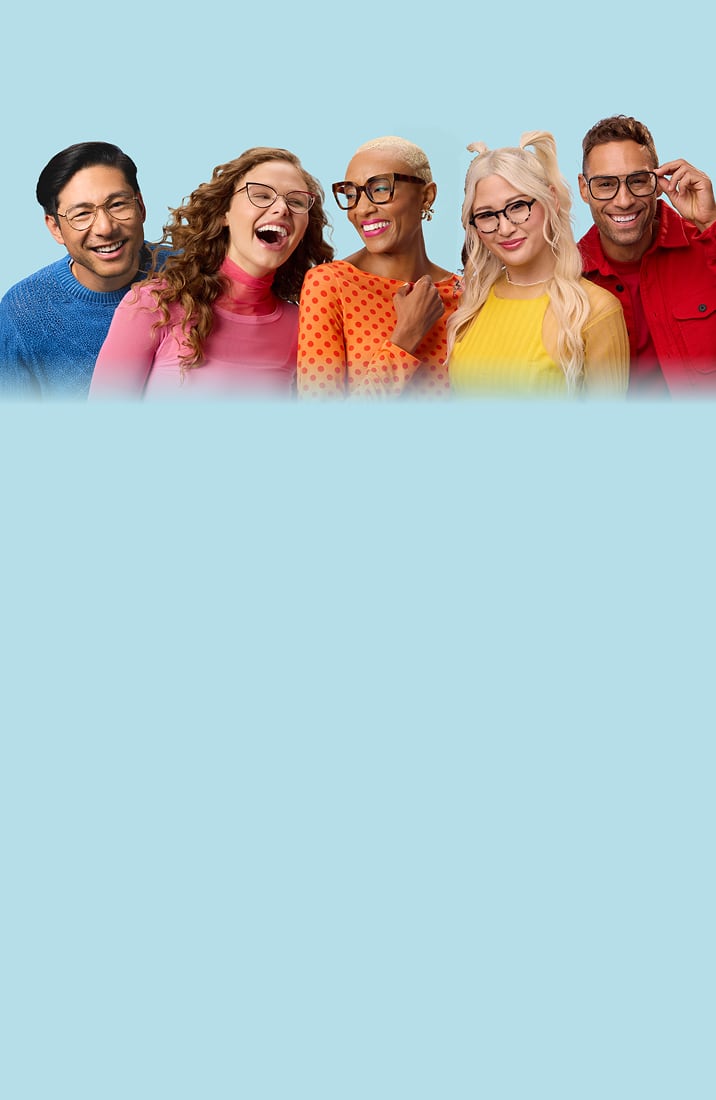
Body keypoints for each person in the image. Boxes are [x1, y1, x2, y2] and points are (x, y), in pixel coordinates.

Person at [90, 147, 333, 398]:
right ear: (223, 213)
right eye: (261, 195)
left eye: (296, 202)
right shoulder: (154, 305)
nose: (282, 208)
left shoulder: (304, 326)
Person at [447, 131, 629, 396]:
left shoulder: (594, 310)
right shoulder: (472, 304)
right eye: (486, 215)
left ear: (551, 200)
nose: (505, 228)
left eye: (517, 206)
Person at [296, 135, 462, 398]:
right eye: (351, 195)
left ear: (426, 196)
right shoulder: (329, 284)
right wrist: (405, 338)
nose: (361, 209)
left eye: (381, 189)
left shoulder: (466, 294)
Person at [0, 141, 152, 398]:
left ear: (141, 207)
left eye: (117, 204)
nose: (105, 228)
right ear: (55, 228)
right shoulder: (22, 312)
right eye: (81, 214)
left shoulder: (195, 273)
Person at [578, 115, 716, 395]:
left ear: (659, 182)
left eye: (638, 181)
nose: (624, 200)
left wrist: (710, 221)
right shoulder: (568, 277)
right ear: (584, 189)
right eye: (605, 184)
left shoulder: (707, 245)